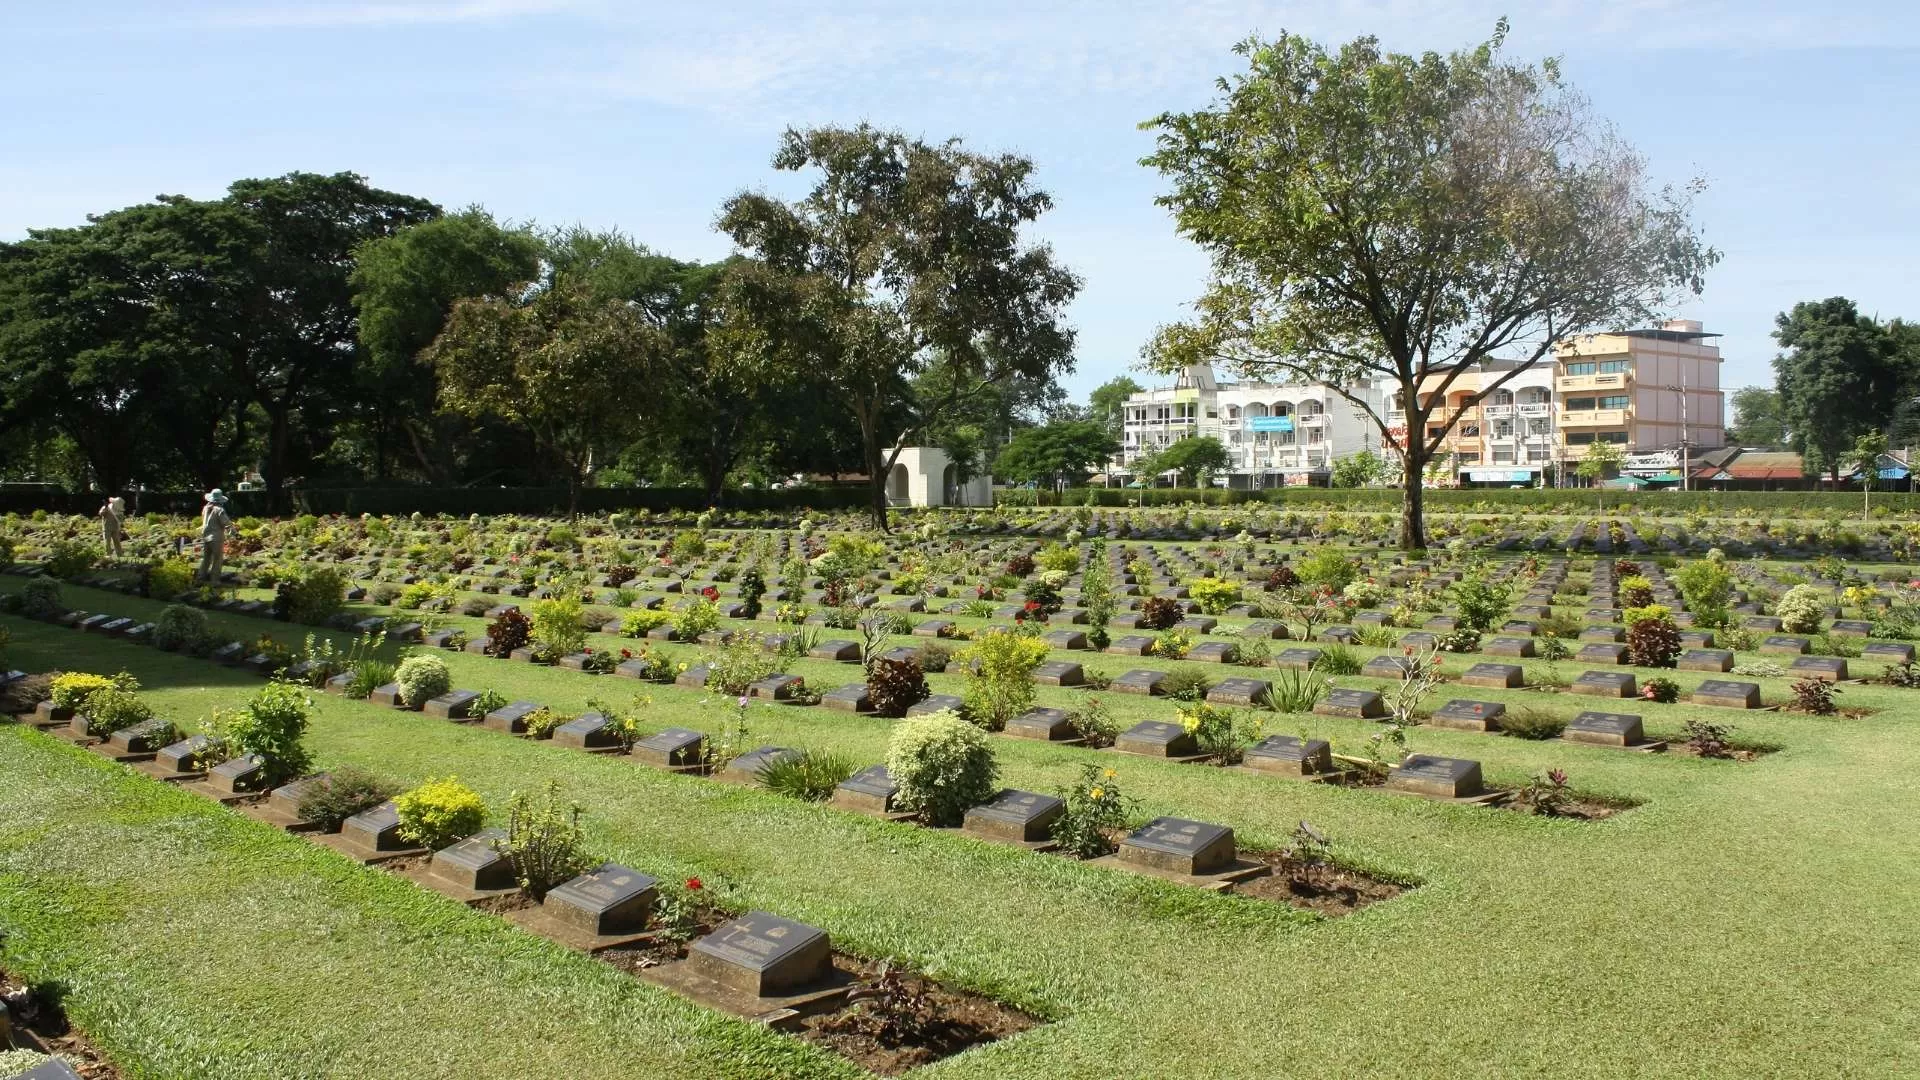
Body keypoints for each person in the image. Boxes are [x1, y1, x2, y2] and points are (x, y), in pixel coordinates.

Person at [197, 489, 231, 584]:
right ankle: (215, 581)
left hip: (206, 536)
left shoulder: (205, 508)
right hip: (216, 538)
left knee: (206, 559)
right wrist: (234, 532)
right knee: (217, 559)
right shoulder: (219, 510)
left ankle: (200, 579)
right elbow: (226, 523)